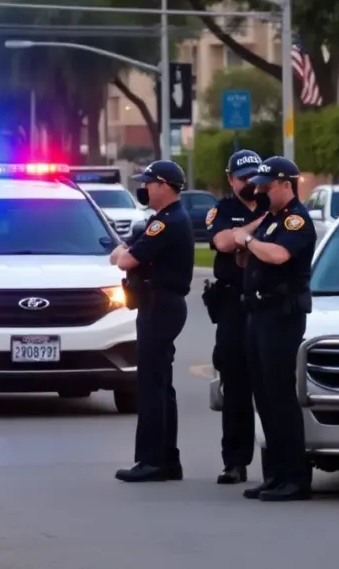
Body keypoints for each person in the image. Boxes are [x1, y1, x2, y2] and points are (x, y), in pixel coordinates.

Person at [233, 156, 316, 502]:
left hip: (282, 315)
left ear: (286, 184)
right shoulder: (271, 220)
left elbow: (279, 256)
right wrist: (249, 236)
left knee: (281, 396)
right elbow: (245, 255)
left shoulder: (296, 220)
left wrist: (248, 241)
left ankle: (295, 477)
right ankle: (276, 474)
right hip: (259, 312)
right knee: (264, 396)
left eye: (268, 186)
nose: (262, 192)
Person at [111, 160, 194, 483]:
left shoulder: (165, 223)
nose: (144, 188)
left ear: (164, 186)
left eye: (149, 183)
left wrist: (123, 252)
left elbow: (126, 259)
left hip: (159, 306)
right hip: (161, 305)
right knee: (161, 385)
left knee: (151, 386)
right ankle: (167, 459)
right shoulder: (165, 220)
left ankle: (151, 460)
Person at [205, 149, 268, 485]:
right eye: (243, 178)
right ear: (231, 180)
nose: (250, 183)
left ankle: (276, 463)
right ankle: (235, 461)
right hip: (232, 304)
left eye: (254, 177)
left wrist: (246, 235)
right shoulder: (223, 210)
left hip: (266, 303)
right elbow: (223, 241)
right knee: (235, 385)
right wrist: (256, 227)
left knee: (270, 385)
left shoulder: (274, 204)